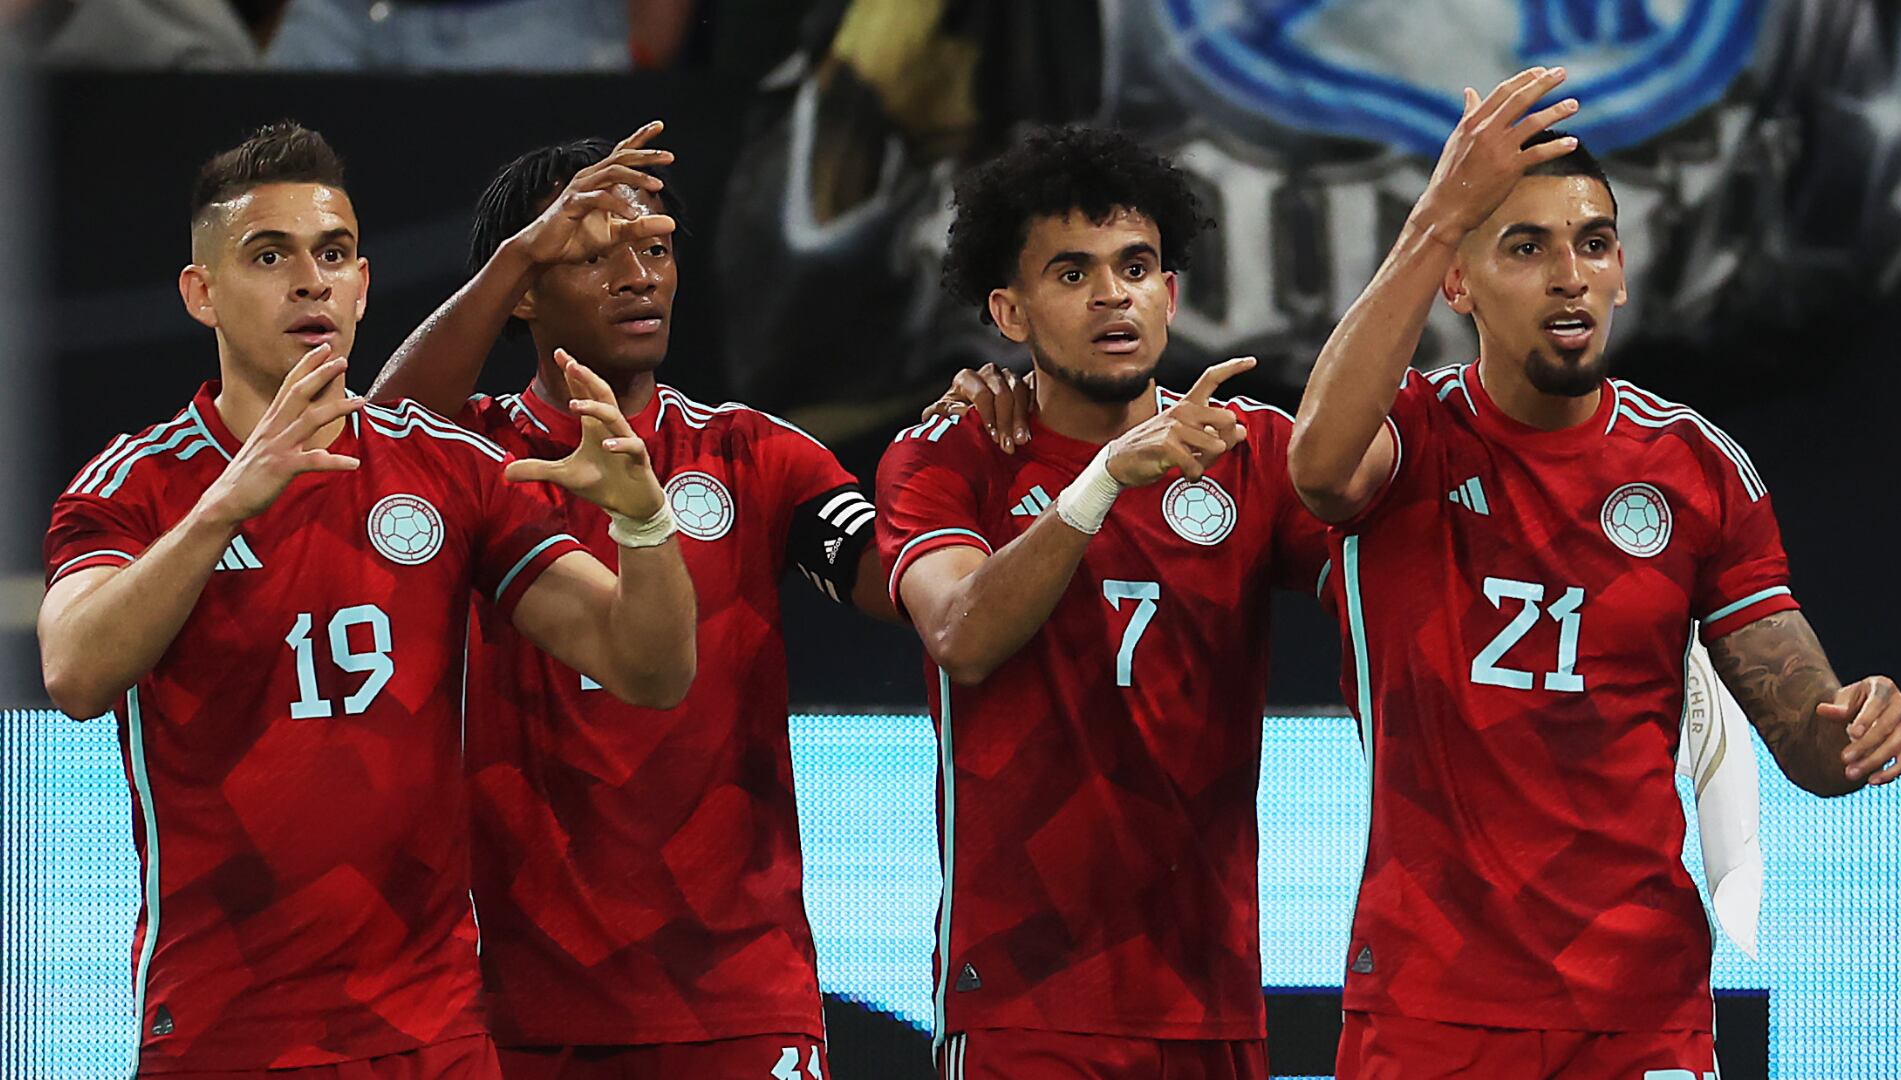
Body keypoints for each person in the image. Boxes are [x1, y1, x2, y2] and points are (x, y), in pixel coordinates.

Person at [1286, 67, 1901, 1077]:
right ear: (1459, 281)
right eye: (1525, 249)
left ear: (1622, 271)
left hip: (1640, 1015)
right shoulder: (1407, 438)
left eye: (1591, 244)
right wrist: (1438, 212)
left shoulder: (1697, 470)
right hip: (1429, 1007)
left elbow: (1808, 740)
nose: (1569, 274)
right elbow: (1316, 473)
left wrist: (1853, 727)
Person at [36, 121, 697, 1078]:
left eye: (333, 254)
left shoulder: (448, 467)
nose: (312, 281)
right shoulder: (131, 486)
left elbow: (650, 670)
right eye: (271, 256)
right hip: (228, 1029)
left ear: (363, 284)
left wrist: (646, 526)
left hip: (430, 1031)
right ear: (202, 294)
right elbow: (76, 671)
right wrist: (227, 503)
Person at [369, 123, 1019, 1079]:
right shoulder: (469, 457)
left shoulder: (753, 454)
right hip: (515, 1001)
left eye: (658, 248)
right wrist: (517, 252)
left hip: (736, 998)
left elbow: (905, 583)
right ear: (526, 292)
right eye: (594, 256)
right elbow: (380, 429)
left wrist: (971, 455)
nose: (640, 276)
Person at [875, 124, 1330, 1079]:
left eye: (1136, 267)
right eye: (1072, 273)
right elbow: (960, 634)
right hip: (1021, 1005)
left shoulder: (1249, 454)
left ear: (1171, 294)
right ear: (1011, 310)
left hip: (1212, 999)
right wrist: (1101, 482)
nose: (1113, 294)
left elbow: (1401, 584)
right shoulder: (948, 456)